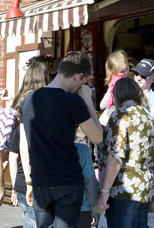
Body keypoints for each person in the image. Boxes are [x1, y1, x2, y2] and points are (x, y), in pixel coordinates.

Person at [20, 51, 103, 228]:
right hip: (67, 179)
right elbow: (97, 137)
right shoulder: (72, 101)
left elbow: (24, 145)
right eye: (83, 81)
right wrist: (88, 100)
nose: (81, 86)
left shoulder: (28, 100)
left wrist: (29, 179)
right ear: (78, 76)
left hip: (40, 179)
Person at [96, 78, 154, 228]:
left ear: (117, 95)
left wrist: (104, 191)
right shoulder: (146, 115)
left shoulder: (120, 115)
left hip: (123, 190)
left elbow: (115, 157)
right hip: (144, 188)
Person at [8, 60, 50, 228]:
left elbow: (13, 156)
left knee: (31, 220)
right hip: (34, 174)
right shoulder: (41, 99)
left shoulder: (21, 99)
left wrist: (14, 185)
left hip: (21, 175)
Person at [131, 58, 154, 124]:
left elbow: (152, 121)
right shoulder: (127, 94)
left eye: (143, 76)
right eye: (136, 73)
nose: (138, 78)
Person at [75, 142, 99, 228]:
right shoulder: (82, 149)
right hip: (81, 209)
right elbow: (90, 182)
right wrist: (95, 210)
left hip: (54, 209)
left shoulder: (45, 147)